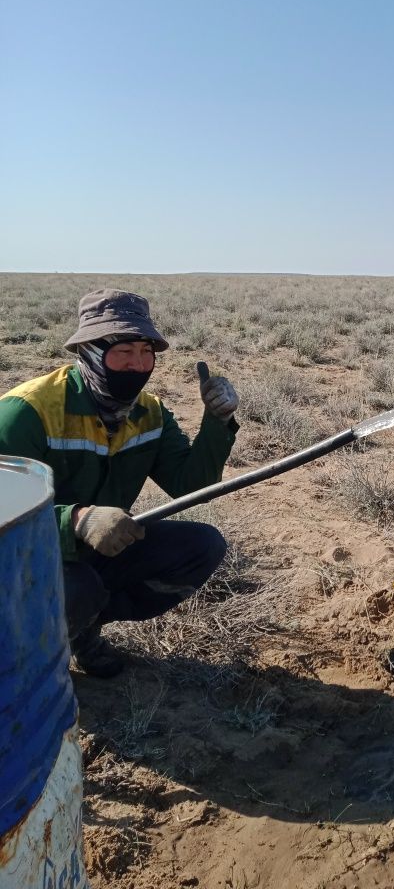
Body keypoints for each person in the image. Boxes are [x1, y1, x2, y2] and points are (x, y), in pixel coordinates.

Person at [0, 288, 240, 677]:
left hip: (96, 551)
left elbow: (191, 486)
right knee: (76, 589)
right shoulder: (26, 412)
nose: (138, 365)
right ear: (91, 352)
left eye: (146, 353)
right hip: (20, 558)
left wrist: (218, 422)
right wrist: (75, 521)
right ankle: (23, 667)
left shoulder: (150, 413)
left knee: (201, 546)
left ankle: (83, 629)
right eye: (123, 352)